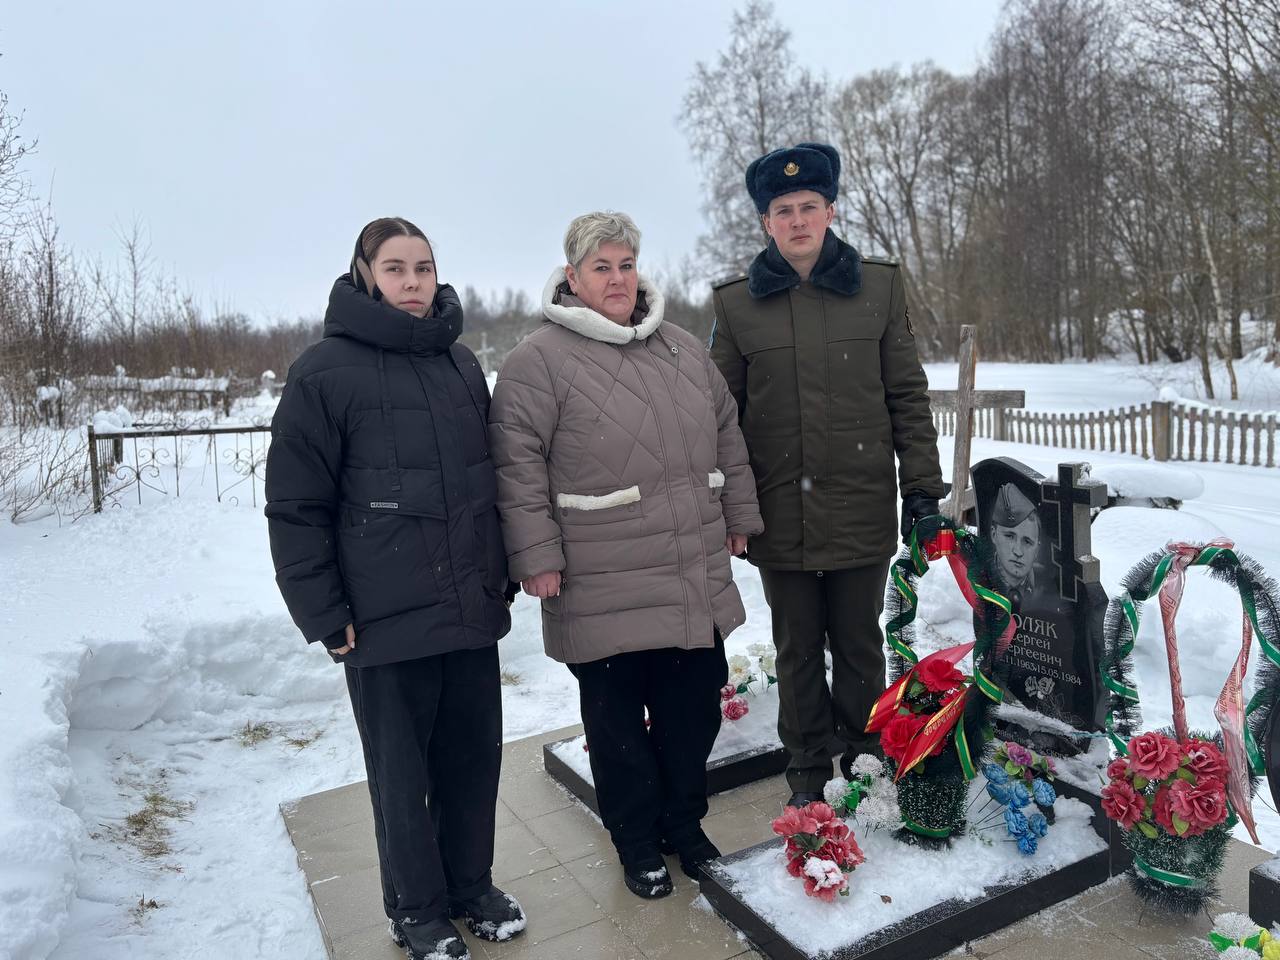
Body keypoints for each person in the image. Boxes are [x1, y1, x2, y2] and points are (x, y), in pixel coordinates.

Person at [265, 217, 524, 960]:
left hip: (468, 607)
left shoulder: (460, 364)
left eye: (424, 268)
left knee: (472, 761)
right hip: (382, 620)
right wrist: (323, 612)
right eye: (395, 268)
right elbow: (296, 505)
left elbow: (485, 483)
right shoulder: (323, 372)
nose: (413, 283)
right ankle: (417, 909)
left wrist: (499, 572)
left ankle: (471, 885)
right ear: (364, 274)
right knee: (401, 776)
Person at [489, 211, 763, 898]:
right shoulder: (537, 362)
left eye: (626, 265)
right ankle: (637, 841)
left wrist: (739, 513)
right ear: (573, 276)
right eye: (601, 268)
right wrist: (536, 555)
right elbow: (517, 465)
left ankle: (684, 824)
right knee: (617, 727)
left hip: (688, 569)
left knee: (693, 711)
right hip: (601, 573)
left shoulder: (679, 349)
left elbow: (727, 433)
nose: (617, 279)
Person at [709, 143, 945, 806]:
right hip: (779, 511)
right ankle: (808, 775)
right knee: (796, 651)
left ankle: (866, 764)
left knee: (861, 645)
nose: (797, 220)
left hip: (859, 504)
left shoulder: (879, 288)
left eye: (808, 206)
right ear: (766, 222)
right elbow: (720, 418)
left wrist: (921, 487)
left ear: (831, 210)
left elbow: (906, 394)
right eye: (783, 210)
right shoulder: (737, 306)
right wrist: (728, 505)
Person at [987, 482, 1043, 607]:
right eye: (1010, 536)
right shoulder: (979, 576)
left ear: (1037, 550)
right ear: (994, 535)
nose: (1018, 551)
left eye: (1027, 542)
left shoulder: (1048, 586)